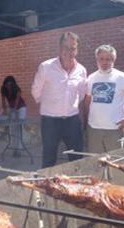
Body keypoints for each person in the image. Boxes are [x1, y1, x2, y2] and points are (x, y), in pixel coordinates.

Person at [31, 32, 87, 168]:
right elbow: (36, 91)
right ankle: (47, 187)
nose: (69, 51)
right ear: (59, 48)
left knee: (77, 157)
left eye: (72, 48)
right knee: (49, 159)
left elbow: (81, 94)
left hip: (72, 120)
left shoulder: (81, 70)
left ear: (77, 50)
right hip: (50, 121)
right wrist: (48, 105)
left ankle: (77, 187)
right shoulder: (46, 67)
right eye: (65, 47)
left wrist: (69, 106)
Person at [83, 44, 124, 153]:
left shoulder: (121, 77)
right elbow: (87, 100)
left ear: (113, 60)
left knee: (115, 161)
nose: (104, 62)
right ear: (97, 60)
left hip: (115, 130)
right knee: (95, 163)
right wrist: (86, 120)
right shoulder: (91, 78)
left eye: (108, 59)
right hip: (94, 129)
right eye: (101, 59)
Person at [0, 75, 26, 156]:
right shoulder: (3, 89)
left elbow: (17, 100)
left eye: (10, 85)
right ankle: (13, 147)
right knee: (12, 128)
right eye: (7, 85)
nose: (8, 86)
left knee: (19, 127)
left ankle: (19, 149)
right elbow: (3, 101)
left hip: (21, 108)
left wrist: (14, 110)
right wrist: (4, 110)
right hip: (12, 108)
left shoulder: (17, 89)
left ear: (13, 84)